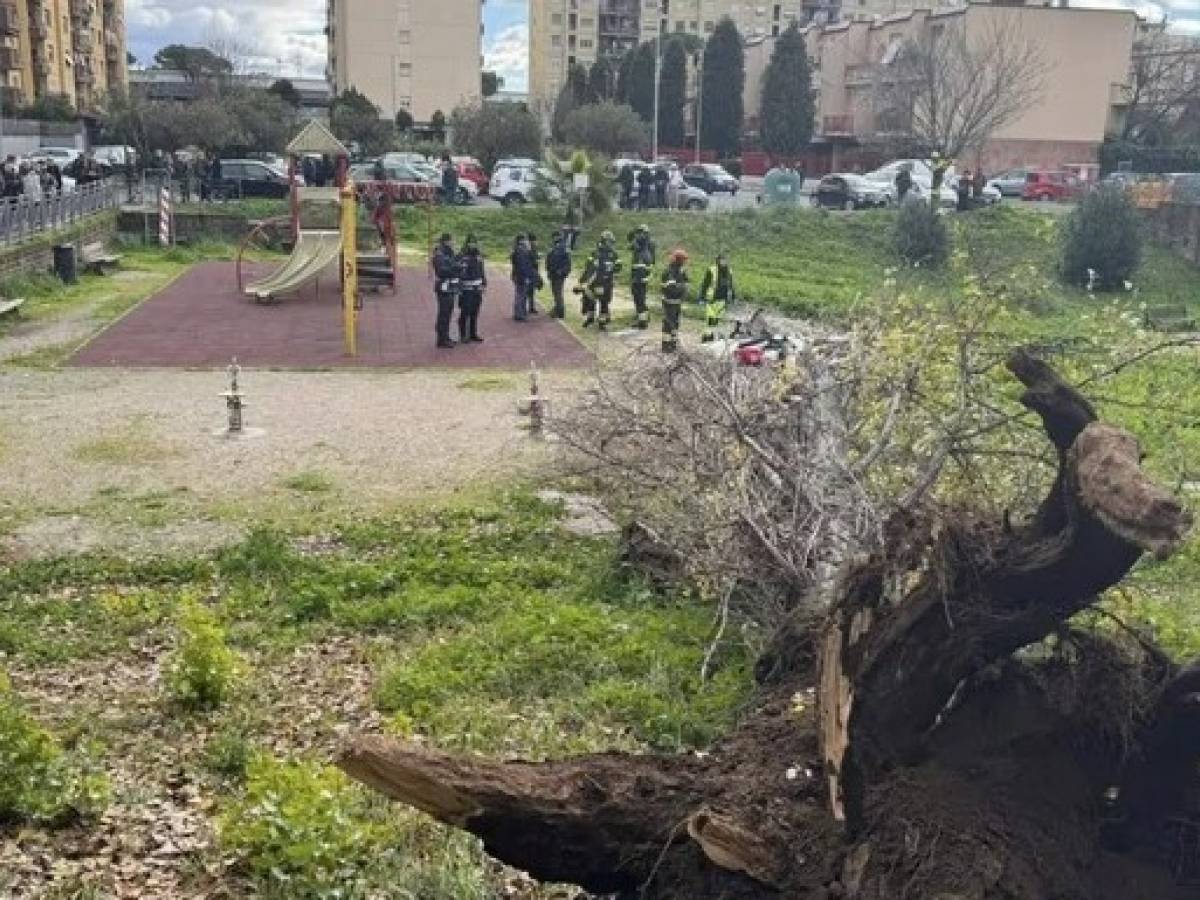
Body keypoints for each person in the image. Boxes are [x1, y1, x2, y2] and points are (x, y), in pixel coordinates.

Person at [577, 230, 621, 330]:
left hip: (607, 282)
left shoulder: (614, 254)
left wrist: (613, 276)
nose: (610, 244)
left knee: (604, 302)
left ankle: (602, 322)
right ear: (603, 241)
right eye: (608, 241)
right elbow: (588, 267)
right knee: (591, 300)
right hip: (595, 281)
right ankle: (590, 318)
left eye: (611, 242)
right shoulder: (595, 253)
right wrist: (583, 280)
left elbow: (618, 267)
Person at [431, 233, 461, 348]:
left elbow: (452, 265)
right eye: (451, 241)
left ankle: (446, 336)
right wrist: (455, 268)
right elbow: (441, 271)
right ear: (446, 241)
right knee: (443, 314)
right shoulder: (440, 254)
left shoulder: (449, 253)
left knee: (448, 313)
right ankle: (441, 339)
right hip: (443, 287)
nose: (453, 243)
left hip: (450, 287)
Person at [698, 253, 735, 343]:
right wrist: (702, 297)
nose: (723, 262)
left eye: (725, 260)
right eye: (721, 260)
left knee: (717, 319)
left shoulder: (729, 271)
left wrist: (733, 296)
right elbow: (705, 284)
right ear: (717, 261)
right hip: (711, 299)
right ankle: (706, 337)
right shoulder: (711, 270)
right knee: (710, 319)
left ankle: (712, 336)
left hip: (722, 300)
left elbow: (731, 285)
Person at [457, 234, 487, 343]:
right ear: (467, 243)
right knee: (465, 312)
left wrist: (484, 283)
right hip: (467, 289)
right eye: (470, 242)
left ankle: (473, 333)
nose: (473, 245)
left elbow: (482, 270)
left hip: (477, 288)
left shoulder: (478, 256)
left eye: (474, 242)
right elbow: (459, 272)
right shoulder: (462, 256)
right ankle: (463, 334)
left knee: (475, 311)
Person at [660, 249, 690, 352]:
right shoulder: (669, 271)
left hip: (677, 302)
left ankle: (673, 344)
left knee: (675, 324)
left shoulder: (680, 271)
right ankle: (666, 346)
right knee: (669, 324)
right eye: (683, 260)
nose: (684, 263)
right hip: (669, 302)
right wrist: (682, 288)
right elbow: (672, 289)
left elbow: (686, 284)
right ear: (678, 260)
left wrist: (683, 288)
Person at [628, 224, 655, 329]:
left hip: (639, 279)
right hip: (643, 277)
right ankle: (643, 317)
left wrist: (636, 279)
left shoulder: (641, 252)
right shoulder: (644, 248)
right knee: (641, 299)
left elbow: (640, 268)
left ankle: (642, 322)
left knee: (639, 299)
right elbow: (630, 240)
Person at [510, 234, 538, 321]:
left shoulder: (517, 250)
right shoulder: (522, 251)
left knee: (520, 294)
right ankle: (520, 314)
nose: (527, 241)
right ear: (521, 241)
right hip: (522, 275)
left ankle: (520, 313)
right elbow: (524, 265)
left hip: (518, 275)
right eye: (525, 240)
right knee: (521, 295)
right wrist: (526, 277)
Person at [546, 232, 572, 319]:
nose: (553, 239)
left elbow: (568, 263)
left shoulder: (563, 248)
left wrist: (562, 272)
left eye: (554, 237)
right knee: (555, 293)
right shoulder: (554, 248)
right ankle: (558, 310)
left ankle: (560, 312)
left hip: (558, 275)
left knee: (557, 293)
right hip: (554, 274)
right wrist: (549, 271)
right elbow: (549, 261)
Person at [526, 232, 543, 314]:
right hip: (531, 271)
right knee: (528, 290)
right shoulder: (530, 248)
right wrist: (537, 258)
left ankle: (531, 307)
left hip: (532, 271)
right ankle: (528, 307)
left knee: (531, 291)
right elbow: (532, 259)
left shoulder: (531, 247)